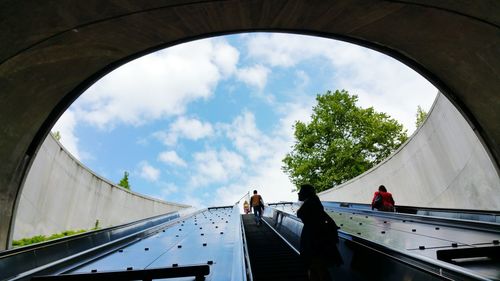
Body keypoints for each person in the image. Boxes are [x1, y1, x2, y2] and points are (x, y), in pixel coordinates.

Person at [297, 184, 343, 281]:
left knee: (317, 267)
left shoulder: (311, 204)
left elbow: (304, 215)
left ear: (306, 193)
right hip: (315, 241)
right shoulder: (313, 202)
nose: (299, 193)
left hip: (315, 243)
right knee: (315, 268)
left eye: (301, 191)